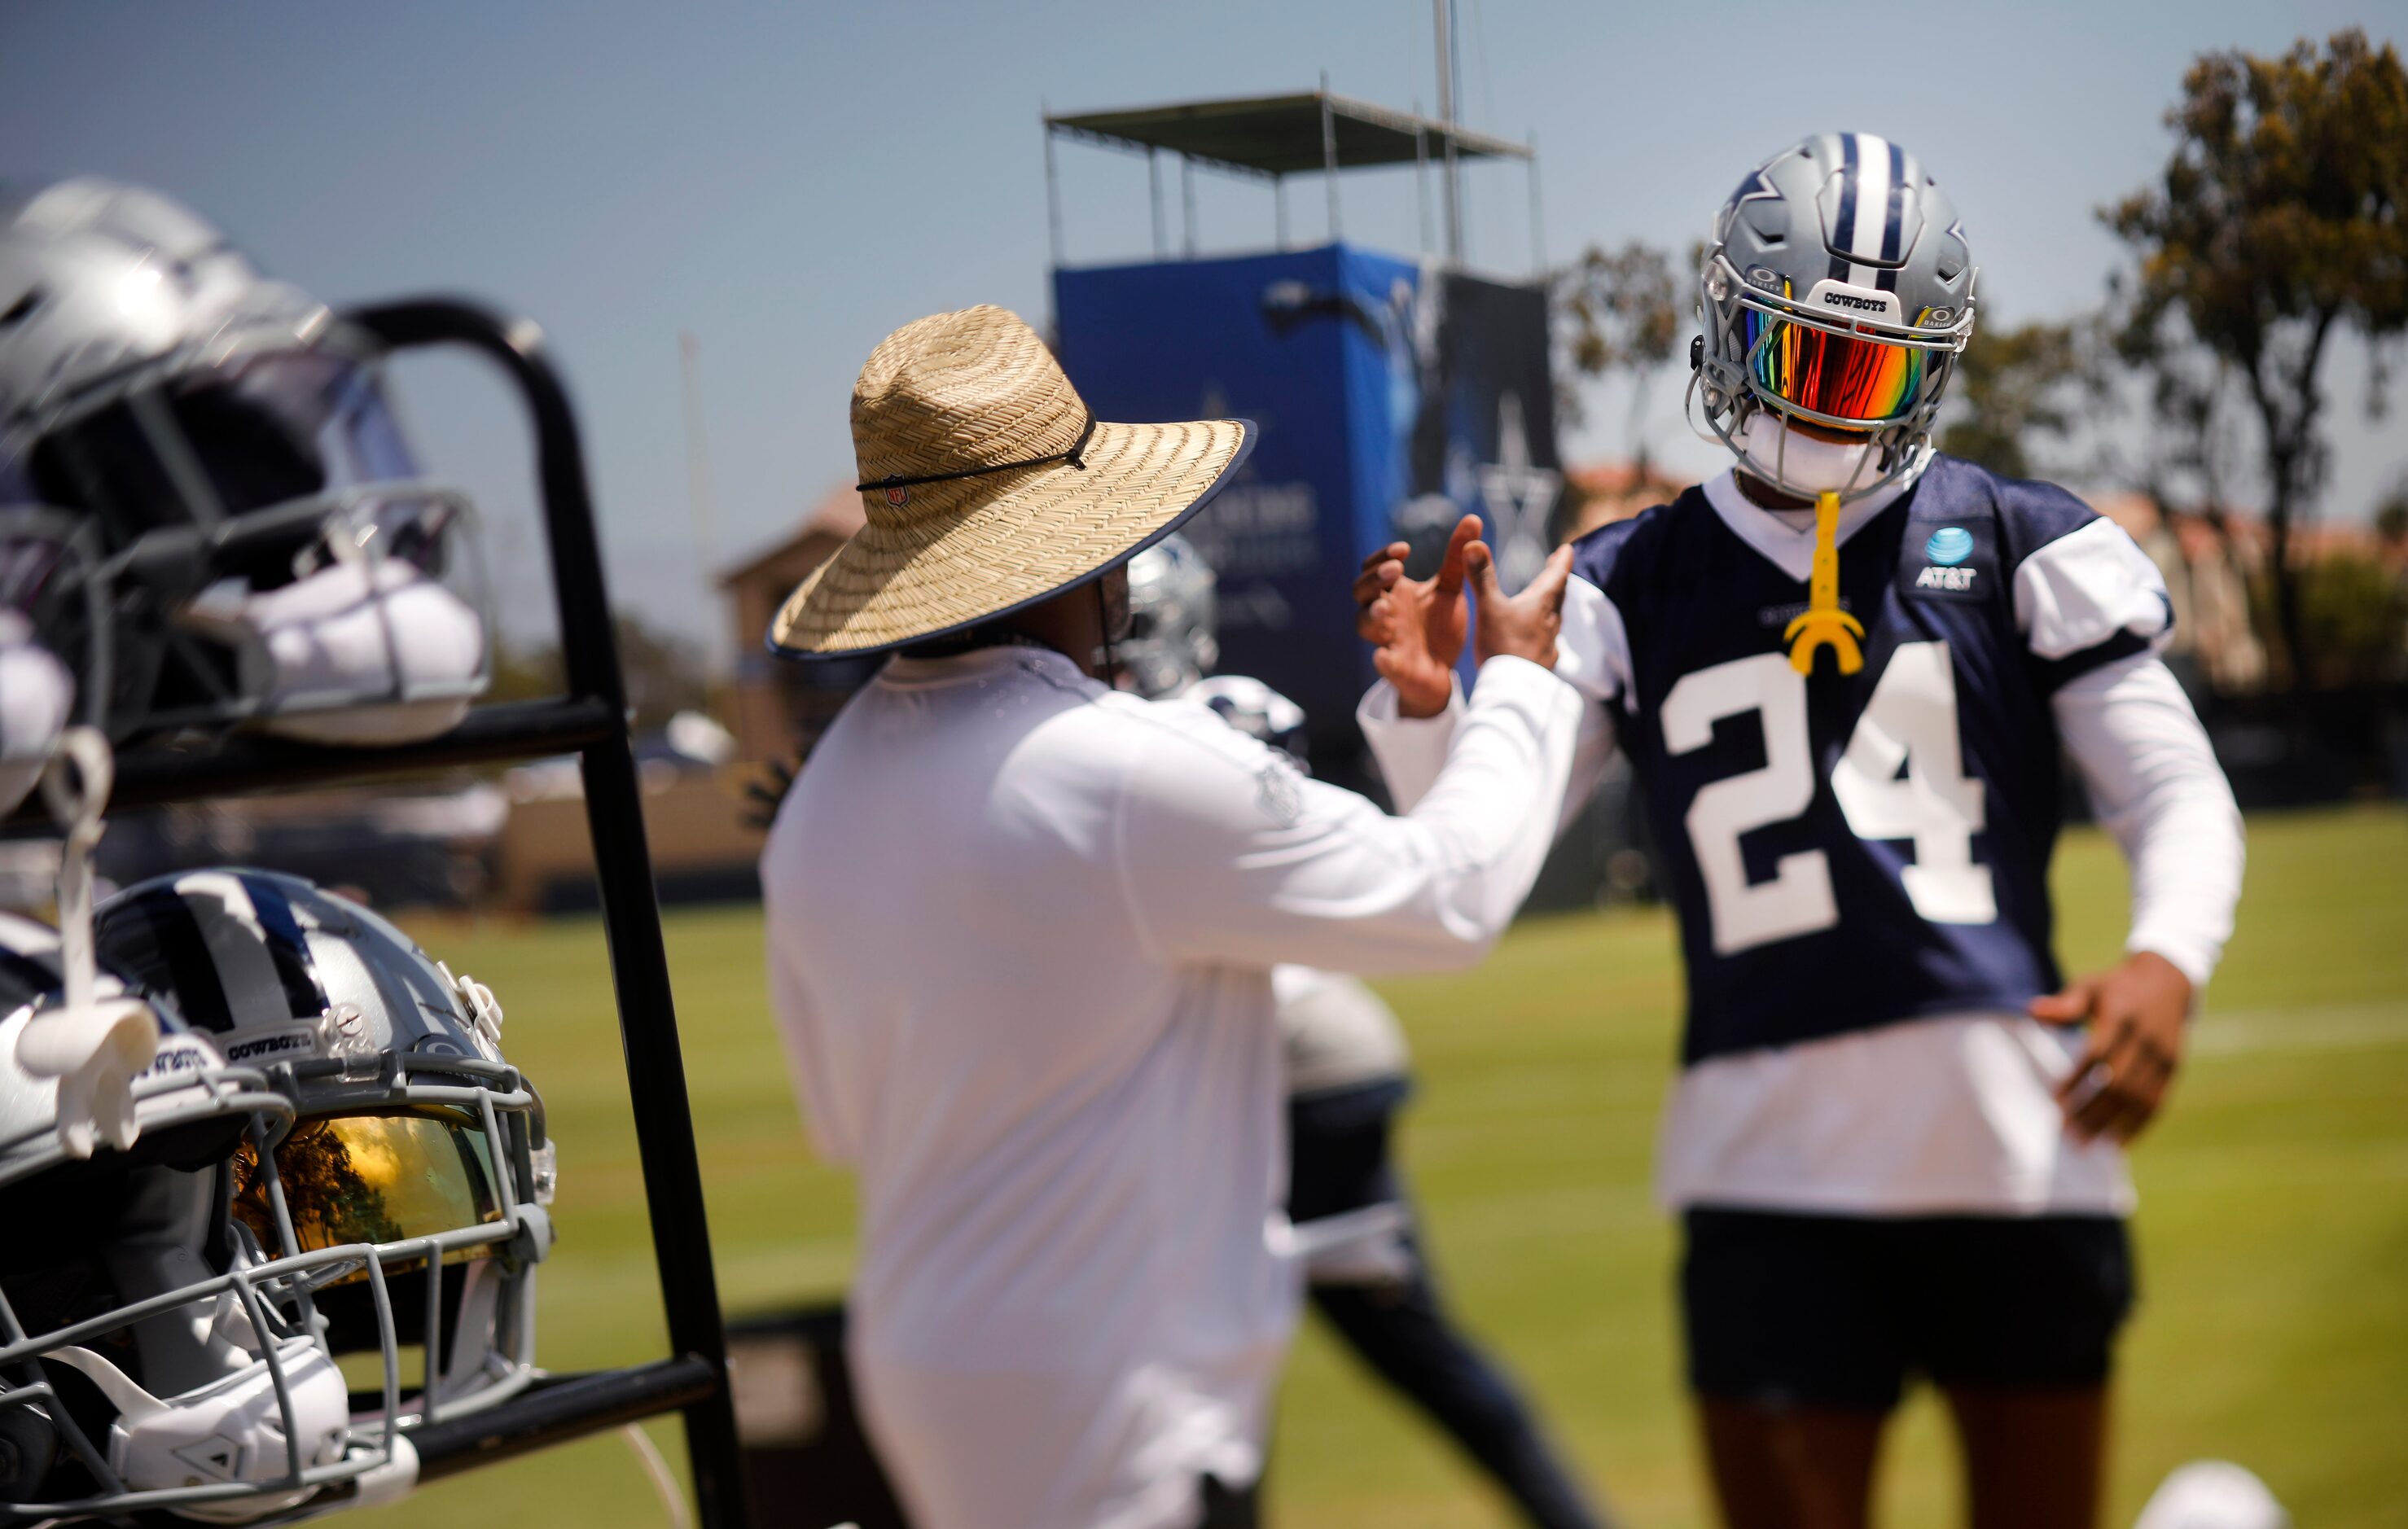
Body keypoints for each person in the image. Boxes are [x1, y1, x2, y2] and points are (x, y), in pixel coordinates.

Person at [1353, 134, 2245, 1529]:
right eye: (1796, 348)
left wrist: (2169, 955)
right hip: (1765, 1164)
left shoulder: (2025, 542)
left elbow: (2174, 789)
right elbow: (1467, 869)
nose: (1824, 399)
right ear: (1725, 323)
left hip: (2008, 1143)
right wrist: (1424, 721)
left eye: (1865, 367)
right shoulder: (1621, 583)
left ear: (1929, 369)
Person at [758, 304, 1581, 1529]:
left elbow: (843, 1119)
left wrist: (1421, 719)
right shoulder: (1131, 769)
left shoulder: (820, 807)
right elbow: (1450, 899)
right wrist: (1513, 682)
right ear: (1086, 560)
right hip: (1116, 1394)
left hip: (923, 1370)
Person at [1120, 537, 1615, 1529]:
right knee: (1184, 1379)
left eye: (1135, 622)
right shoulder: (1117, 741)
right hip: (1236, 1078)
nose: (1125, 649)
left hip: (1303, 1073)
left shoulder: (1217, 725)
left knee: (1390, 1356)